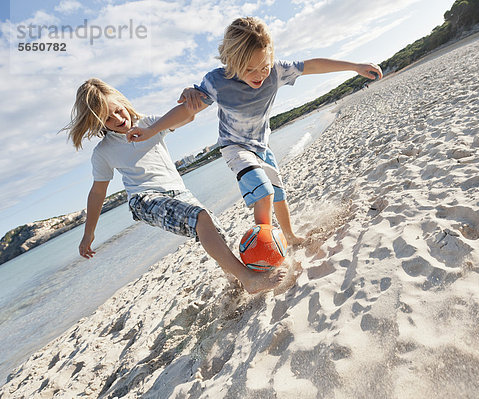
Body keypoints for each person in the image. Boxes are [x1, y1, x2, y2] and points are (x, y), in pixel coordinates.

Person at [127, 16, 383, 246]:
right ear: (231, 62)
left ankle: (290, 236)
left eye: (264, 66)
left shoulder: (276, 71)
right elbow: (187, 111)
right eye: (249, 69)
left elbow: (312, 66)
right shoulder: (217, 82)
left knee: (278, 194)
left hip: (262, 144)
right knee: (264, 192)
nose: (259, 75)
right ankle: (265, 248)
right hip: (235, 147)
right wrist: (152, 130)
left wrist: (355, 66)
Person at [64, 78, 286, 294]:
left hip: (179, 192)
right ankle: (249, 280)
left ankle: (236, 284)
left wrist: (191, 95)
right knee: (200, 217)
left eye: (118, 110)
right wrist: (88, 234)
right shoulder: (103, 152)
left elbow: (186, 116)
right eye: (108, 118)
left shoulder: (150, 124)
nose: (118, 118)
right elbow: (97, 193)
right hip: (144, 199)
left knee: (214, 232)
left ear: (124, 103)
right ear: (100, 124)